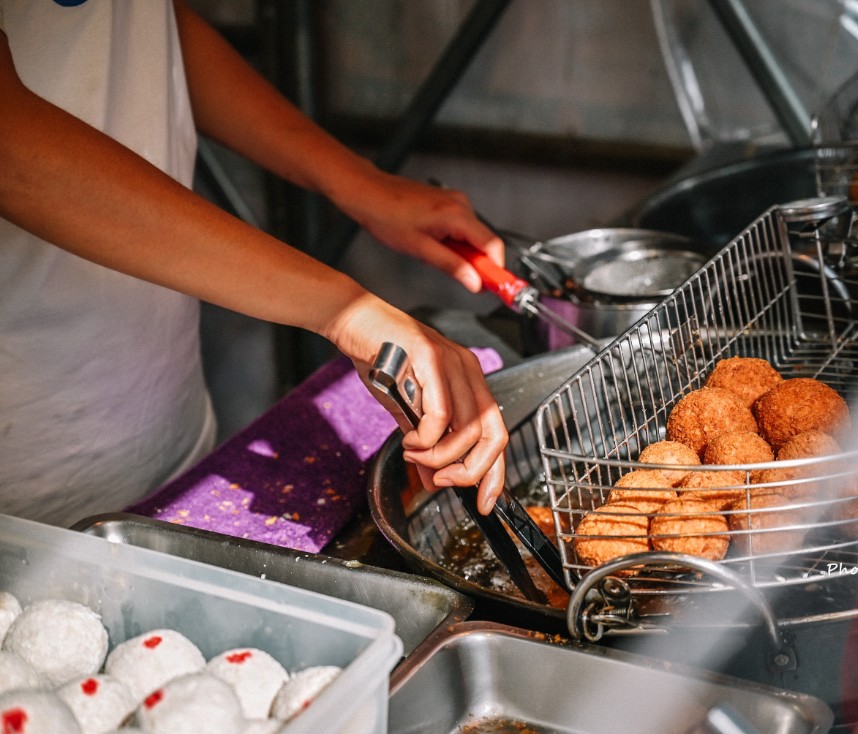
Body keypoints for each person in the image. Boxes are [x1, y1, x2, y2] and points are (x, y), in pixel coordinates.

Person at [0, 0, 508, 527]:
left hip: (164, 432)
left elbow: (151, 26)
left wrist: (361, 185)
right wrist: (343, 310)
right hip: (25, 485)